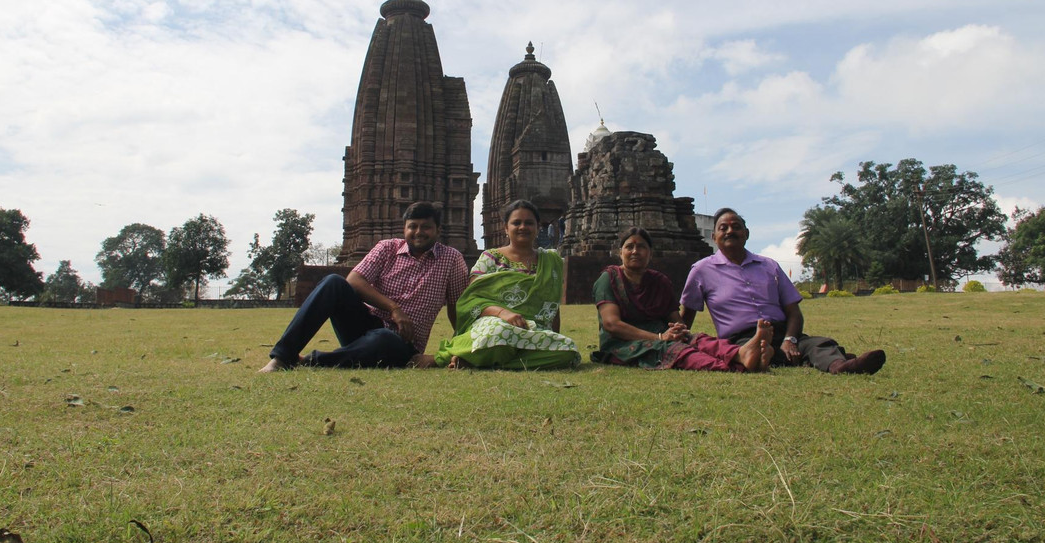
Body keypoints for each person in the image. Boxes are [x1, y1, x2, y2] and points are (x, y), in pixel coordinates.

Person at [259, 201, 467, 371]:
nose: (418, 232)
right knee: (333, 283)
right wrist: (394, 309)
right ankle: (282, 357)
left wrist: (455, 352)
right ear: (404, 229)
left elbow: (458, 309)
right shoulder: (387, 248)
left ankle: (308, 361)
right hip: (365, 324)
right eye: (413, 226)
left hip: (402, 342)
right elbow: (354, 280)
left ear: (438, 230)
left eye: (426, 227)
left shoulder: (451, 259)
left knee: (385, 339)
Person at [680, 208, 886, 375]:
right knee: (761, 352)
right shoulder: (701, 271)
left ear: (746, 234)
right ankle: (816, 358)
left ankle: (841, 367)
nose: (729, 231)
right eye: (723, 228)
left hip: (782, 331)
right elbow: (686, 316)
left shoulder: (769, 266)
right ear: (714, 237)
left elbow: (793, 312)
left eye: (736, 227)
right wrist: (679, 342)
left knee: (817, 343)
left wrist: (790, 340)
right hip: (742, 339)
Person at [591, 227, 773, 371]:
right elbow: (612, 325)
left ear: (650, 253)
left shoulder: (659, 281)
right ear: (620, 252)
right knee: (679, 351)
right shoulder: (610, 278)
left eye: (641, 247)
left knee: (699, 340)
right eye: (629, 246)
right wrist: (660, 337)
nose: (635, 251)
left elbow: (676, 320)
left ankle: (741, 354)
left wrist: (678, 331)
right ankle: (739, 366)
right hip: (624, 344)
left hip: (663, 336)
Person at [435, 199, 580, 369]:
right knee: (499, 333)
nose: (523, 227)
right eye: (516, 223)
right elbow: (472, 299)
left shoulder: (551, 260)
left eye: (529, 223)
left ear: (538, 227)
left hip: (532, 329)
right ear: (506, 228)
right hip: (495, 324)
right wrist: (503, 313)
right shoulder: (490, 258)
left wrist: (553, 336)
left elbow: (552, 305)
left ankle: (486, 361)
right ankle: (497, 356)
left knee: (568, 350)